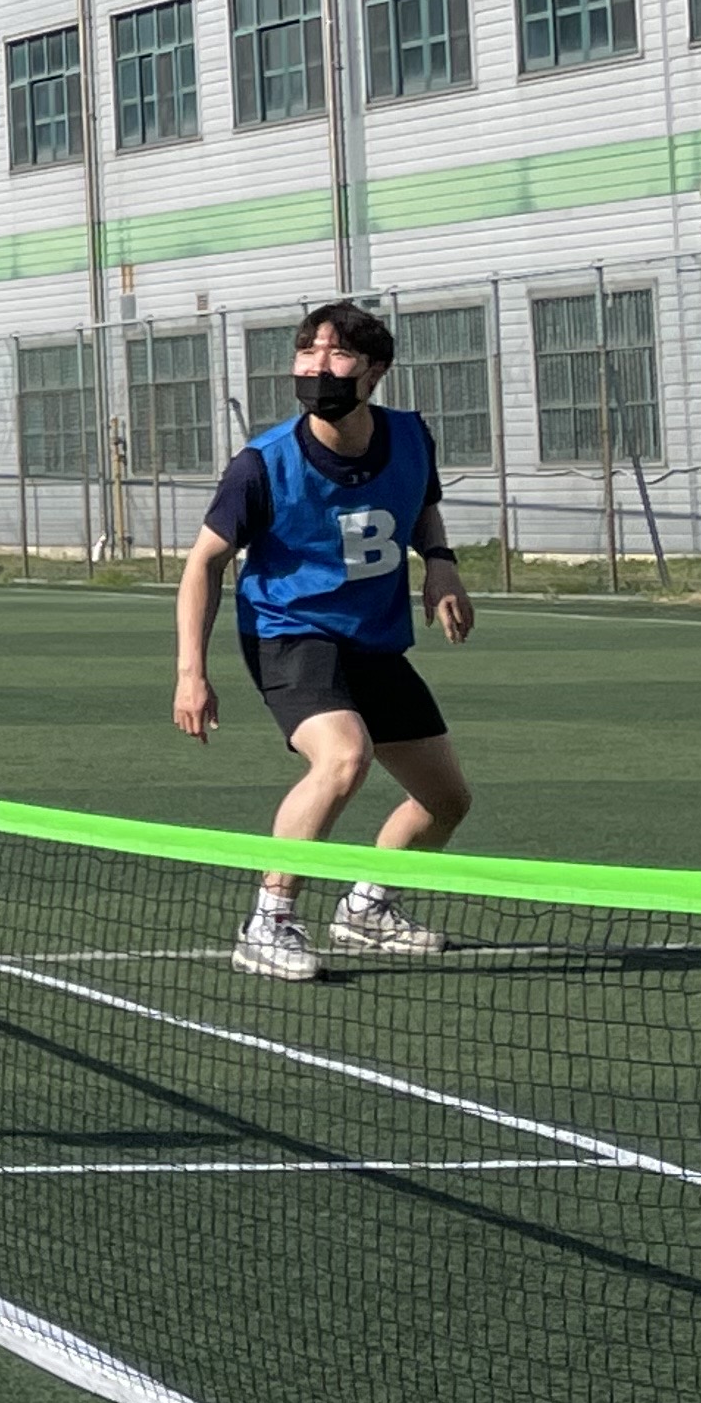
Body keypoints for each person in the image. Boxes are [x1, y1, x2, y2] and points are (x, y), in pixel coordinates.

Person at [172, 299, 478, 981]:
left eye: (337, 354)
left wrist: (441, 562)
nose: (317, 367)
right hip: (291, 634)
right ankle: (269, 921)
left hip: (373, 638)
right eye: (307, 352)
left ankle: (367, 908)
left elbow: (422, 502)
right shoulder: (262, 463)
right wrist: (191, 673)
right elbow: (203, 564)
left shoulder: (410, 436)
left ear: (374, 371)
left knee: (446, 801)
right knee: (344, 756)